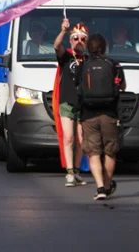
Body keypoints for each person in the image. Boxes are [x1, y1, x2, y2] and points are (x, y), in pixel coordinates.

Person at [75, 33, 125, 200]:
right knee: (110, 151)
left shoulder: (82, 66)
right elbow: (122, 85)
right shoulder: (113, 65)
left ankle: (100, 188)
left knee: (93, 152)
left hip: (88, 114)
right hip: (110, 114)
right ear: (105, 47)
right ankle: (108, 183)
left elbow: (77, 87)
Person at [53, 19, 88, 187]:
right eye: (76, 38)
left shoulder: (88, 59)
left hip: (83, 103)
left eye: (82, 39)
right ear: (71, 40)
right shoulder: (66, 56)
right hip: (67, 101)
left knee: (81, 140)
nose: (79, 41)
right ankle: (69, 173)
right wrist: (63, 31)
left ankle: (76, 171)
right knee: (68, 137)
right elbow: (56, 46)